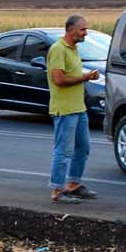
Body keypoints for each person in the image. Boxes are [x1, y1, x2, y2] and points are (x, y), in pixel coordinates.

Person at [47, 14, 101, 204]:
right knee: (63, 151)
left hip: (79, 108)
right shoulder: (58, 50)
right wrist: (85, 78)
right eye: (82, 29)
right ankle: (57, 189)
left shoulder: (73, 49)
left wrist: (86, 76)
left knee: (83, 148)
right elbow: (59, 80)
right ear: (71, 30)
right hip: (65, 109)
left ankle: (73, 184)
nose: (85, 32)